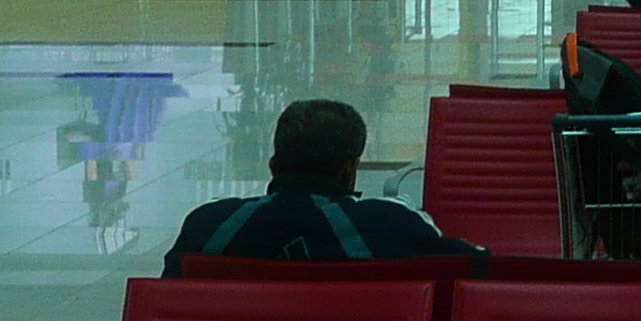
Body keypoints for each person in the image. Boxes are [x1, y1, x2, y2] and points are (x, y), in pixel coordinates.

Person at [164, 98, 483, 270]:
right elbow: (477, 264)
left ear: (274, 165)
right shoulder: (388, 225)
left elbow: (168, 311)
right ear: (349, 170)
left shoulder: (208, 227)